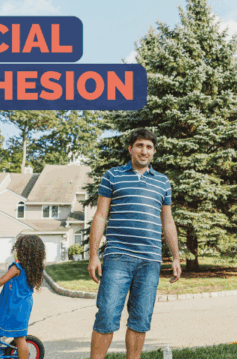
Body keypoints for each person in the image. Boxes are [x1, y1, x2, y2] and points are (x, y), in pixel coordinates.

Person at [88, 128, 182, 359]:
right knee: (107, 315)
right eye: (140, 145)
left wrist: (176, 257)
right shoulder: (112, 176)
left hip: (150, 261)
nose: (144, 150)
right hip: (118, 257)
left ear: (154, 152)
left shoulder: (163, 182)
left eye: (149, 147)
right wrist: (93, 255)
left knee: (140, 319)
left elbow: (168, 222)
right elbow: (100, 215)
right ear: (130, 149)